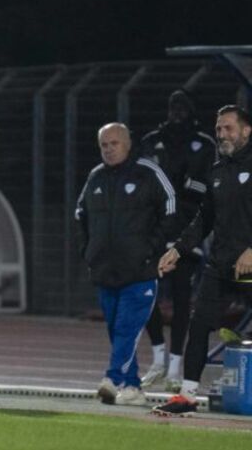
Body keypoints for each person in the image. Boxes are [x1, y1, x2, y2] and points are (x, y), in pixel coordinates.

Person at [154, 105, 252, 416]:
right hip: (221, 265)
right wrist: (178, 249)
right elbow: (203, 219)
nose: (221, 134)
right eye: (219, 128)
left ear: (247, 130)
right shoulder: (217, 170)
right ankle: (187, 396)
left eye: (228, 128)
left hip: (251, 265)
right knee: (198, 326)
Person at [75, 123, 176, 406]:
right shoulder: (95, 177)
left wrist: (153, 250)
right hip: (105, 269)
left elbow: (171, 208)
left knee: (126, 328)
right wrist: (88, 252)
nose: (108, 149)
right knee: (116, 329)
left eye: (114, 143)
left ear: (128, 143)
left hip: (140, 270)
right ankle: (132, 388)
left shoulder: (148, 172)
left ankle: (112, 378)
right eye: (104, 145)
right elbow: (80, 214)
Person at [137, 90, 213, 391]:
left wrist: (180, 186)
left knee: (182, 299)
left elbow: (204, 185)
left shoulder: (203, 144)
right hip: (154, 232)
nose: (177, 112)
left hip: (186, 233)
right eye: (173, 106)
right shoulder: (152, 140)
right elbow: (145, 182)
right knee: (146, 295)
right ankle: (157, 358)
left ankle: (175, 367)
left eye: (183, 106)